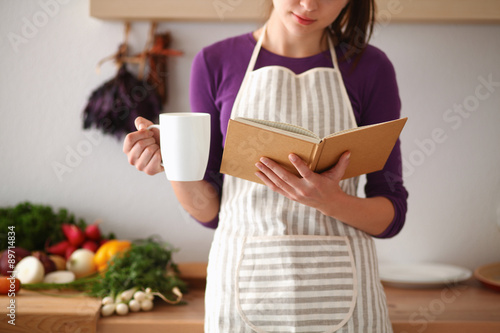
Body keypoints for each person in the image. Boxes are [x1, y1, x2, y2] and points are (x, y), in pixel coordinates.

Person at [123, 0, 408, 331]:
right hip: (242, 293)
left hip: (344, 294)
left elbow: (391, 213)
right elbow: (209, 211)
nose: (309, 4)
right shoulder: (215, 62)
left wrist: (331, 201)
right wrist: (172, 159)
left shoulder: (370, 67)